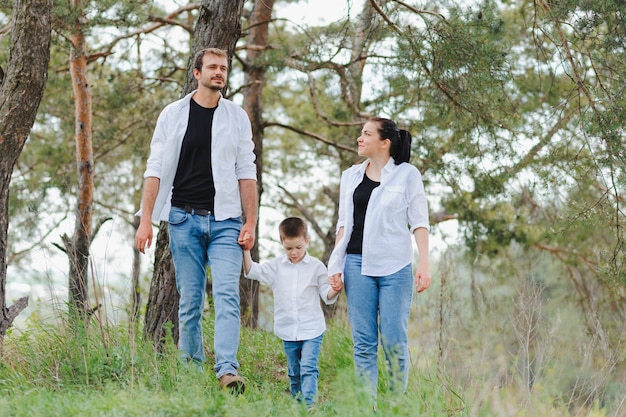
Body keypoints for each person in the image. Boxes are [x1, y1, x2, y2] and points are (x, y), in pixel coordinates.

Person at [134, 47, 257, 394]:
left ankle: (227, 371)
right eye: (213, 67)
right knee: (189, 300)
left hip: (227, 222)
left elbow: (246, 171)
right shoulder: (172, 115)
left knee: (227, 296)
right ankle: (190, 371)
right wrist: (146, 221)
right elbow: (154, 170)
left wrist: (251, 221)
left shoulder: (237, 117)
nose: (219, 72)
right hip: (182, 220)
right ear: (197, 73)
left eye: (224, 68)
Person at [328, 117, 431, 398]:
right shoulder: (350, 176)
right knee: (363, 343)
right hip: (356, 265)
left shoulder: (408, 175)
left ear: (385, 143)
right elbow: (343, 224)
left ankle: (398, 406)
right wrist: (335, 265)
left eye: (366, 134)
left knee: (394, 341)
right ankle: (366, 408)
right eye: (361, 134)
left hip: (395, 268)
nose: (360, 139)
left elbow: (420, 222)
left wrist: (424, 263)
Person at [242, 217, 342, 408]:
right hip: (287, 329)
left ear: (307, 241)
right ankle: (297, 404)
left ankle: (309, 406)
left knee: (308, 367)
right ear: (282, 243)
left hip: (312, 329)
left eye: (298, 247)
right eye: (289, 248)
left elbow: (326, 295)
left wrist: (336, 289)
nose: (294, 252)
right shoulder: (276, 266)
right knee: (294, 371)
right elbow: (251, 271)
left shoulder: (317, 267)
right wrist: (246, 250)